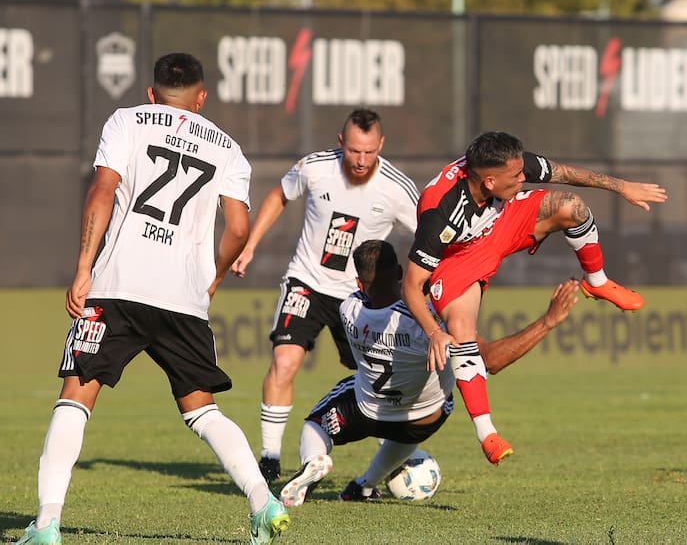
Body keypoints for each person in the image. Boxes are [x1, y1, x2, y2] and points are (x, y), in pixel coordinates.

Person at [14, 53, 289, 545]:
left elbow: (102, 191)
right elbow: (239, 228)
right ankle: (261, 500)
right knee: (201, 408)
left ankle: (48, 524)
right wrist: (214, 278)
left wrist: (83, 267)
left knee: (76, 396)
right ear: (202, 98)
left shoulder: (126, 121)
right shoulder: (228, 148)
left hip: (117, 287)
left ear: (151, 93)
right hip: (182, 297)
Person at [401, 131, 668, 465]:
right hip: (460, 259)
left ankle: (597, 282)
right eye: (516, 177)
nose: (523, 178)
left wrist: (621, 187)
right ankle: (488, 434)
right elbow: (411, 285)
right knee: (459, 328)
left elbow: (566, 174)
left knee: (571, 206)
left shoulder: (508, 165)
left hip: (501, 223)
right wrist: (433, 331)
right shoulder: (439, 213)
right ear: (488, 181)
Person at [276, 239, 580, 505]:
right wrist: (548, 321)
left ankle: (313, 461)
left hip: (365, 412)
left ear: (359, 284)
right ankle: (363, 486)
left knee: (316, 425)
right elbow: (488, 361)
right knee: (433, 406)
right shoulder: (430, 323)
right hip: (423, 419)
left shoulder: (350, 309)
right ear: (399, 273)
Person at [230, 108, 418, 485]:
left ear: (380, 145)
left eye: (369, 152)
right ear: (340, 142)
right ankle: (268, 461)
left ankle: (388, 453)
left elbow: (426, 240)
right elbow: (279, 195)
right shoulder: (315, 168)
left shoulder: (397, 188)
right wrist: (249, 245)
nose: (361, 160)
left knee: (371, 375)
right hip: (307, 283)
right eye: (353, 151)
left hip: (359, 297)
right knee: (284, 362)